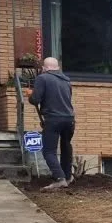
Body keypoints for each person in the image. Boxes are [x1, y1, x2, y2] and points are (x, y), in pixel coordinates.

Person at [29, 56, 76, 190]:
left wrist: (30, 95)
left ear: (44, 68)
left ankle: (60, 179)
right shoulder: (67, 81)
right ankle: (67, 177)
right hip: (69, 119)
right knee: (66, 146)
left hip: (53, 119)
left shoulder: (42, 78)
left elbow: (35, 99)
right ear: (57, 68)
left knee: (49, 151)